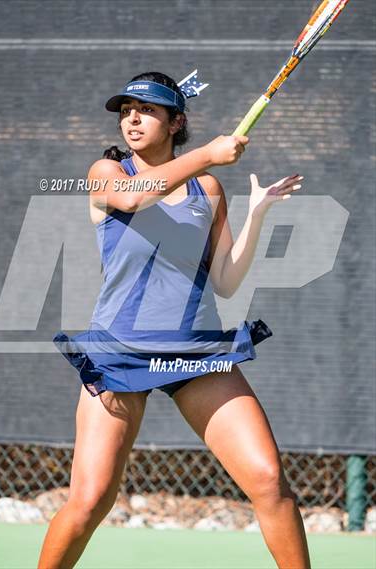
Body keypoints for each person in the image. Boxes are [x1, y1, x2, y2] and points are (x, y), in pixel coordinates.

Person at [38, 71, 310, 569]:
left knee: (271, 482)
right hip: (120, 353)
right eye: (126, 112)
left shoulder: (208, 190)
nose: (133, 120)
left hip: (196, 352)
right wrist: (206, 152)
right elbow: (137, 198)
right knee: (90, 501)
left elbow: (225, 280)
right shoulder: (107, 173)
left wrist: (257, 215)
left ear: (176, 121)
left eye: (147, 111)